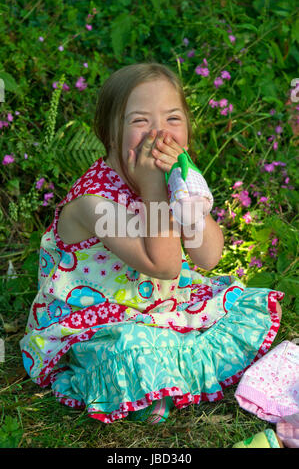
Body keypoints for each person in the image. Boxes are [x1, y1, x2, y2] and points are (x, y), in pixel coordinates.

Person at [20, 62, 283, 424]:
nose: (158, 133)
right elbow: (164, 264)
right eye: (139, 121)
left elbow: (208, 256)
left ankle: (167, 376)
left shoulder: (172, 176)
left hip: (158, 302)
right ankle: (147, 382)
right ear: (110, 135)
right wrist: (153, 187)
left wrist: (184, 190)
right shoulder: (93, 205)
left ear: (188, 130)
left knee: (242, 304)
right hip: (94, 324)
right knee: (129, 350)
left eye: (172, 119)